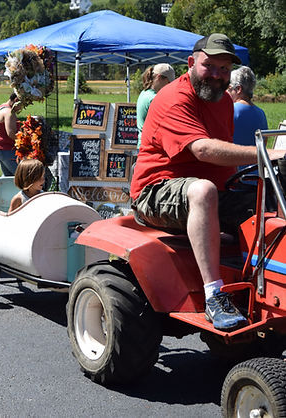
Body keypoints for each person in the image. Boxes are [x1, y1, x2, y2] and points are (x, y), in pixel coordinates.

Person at [130, 33, 286, 332]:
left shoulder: (225, 101)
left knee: (269, 193)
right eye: (209, 66)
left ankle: (265, 282)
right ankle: (214, 295)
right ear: (191, 62)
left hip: (213, 191)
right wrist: (271, 153)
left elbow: (222, 156)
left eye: (224, 69)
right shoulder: (173, 98)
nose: (217, 76)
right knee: (203, 190)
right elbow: (202, 149)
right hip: (156, 190)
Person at [136, 63, 175, 148]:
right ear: (159, 77)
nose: (169, 86)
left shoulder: (144, 93)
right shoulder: (153, 98)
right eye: (168, 82)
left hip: (143, 144)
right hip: (150, 146)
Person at [228, 66, 268, 149]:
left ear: (238, 89)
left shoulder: (230, 110)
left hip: (233, 160)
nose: (226, 92)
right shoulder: (261, 113)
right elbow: (264, 143)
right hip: (256, 161)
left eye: (229, 88)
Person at [0, 92, 22, 176]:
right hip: (5, 149)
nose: (21, 108)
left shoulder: (3, 106)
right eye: (22, 105)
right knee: (20, 176)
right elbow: (11, 133)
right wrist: (25, 143)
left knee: (8, 176)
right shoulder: (9, 112)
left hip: (0, 147)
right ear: (16, 100)